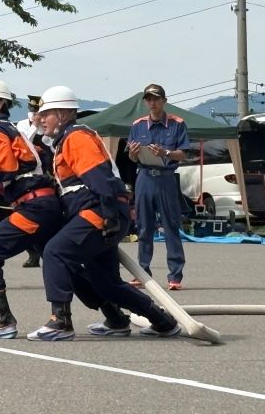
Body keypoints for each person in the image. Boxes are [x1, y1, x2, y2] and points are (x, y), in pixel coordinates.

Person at [27, 86, 180, 341]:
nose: (40, 119)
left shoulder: (76, 137)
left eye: (46, 113)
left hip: (98, 211)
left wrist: (108, 216)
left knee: (55, 252)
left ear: (63, 114)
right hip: (100, 212)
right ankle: (161, 321)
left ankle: (60, 321)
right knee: (106, 283)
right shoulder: (65, 140)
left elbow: (99, 178)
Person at [0, 80, 64, 339]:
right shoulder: (8, 128)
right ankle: (113, 315)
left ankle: (3, 320)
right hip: (45, 205)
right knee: (61, 261)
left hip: (34, 208)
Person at [127, 83, 190, 290]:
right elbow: (130, 155)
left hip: (165, 177)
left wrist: (166, 153)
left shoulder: (176, 124)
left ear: (164, 100)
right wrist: (134, 152)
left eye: (156, 99)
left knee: (171, 226)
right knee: (144, 227)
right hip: (144, 177)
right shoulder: (138, 125)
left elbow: (183, 153)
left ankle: (175, 276)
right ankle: (142, 272)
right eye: (149, 99)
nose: (152, 103)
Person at [15, 94, 48, 268]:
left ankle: (43, 252)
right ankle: (32, 253)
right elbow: (24, 142)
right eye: (33, 110)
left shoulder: (45, 125)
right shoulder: (22, 125)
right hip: (28, 175)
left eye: (37, 111)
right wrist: (34, 126)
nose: (35, 114)